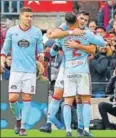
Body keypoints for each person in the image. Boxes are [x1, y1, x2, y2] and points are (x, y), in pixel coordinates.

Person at [39, 11, 105, 137]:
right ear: (76, 19)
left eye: (86, 20)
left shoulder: (85, 32)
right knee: (59, 95)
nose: (83, 21)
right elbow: (54, 36)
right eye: (81, 18)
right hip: (69, 69)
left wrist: (73, 45)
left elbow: (93, 50)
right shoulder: (68, 29)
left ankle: (77, 129)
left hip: (70, 68)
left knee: (76, 99)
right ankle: (49, 123)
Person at [0, 7, 44, 136]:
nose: (29, 19)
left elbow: (40, 49)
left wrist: (41, 56)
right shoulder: (12, 31)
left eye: (31, 16)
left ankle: (23, 128)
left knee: (26, 99)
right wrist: (1, 60)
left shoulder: (36, 32)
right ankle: (18, 119)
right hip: (15, 70)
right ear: (20, 17)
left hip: (30, 71)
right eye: (27, 16)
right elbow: (4, 50)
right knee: (12, 99)